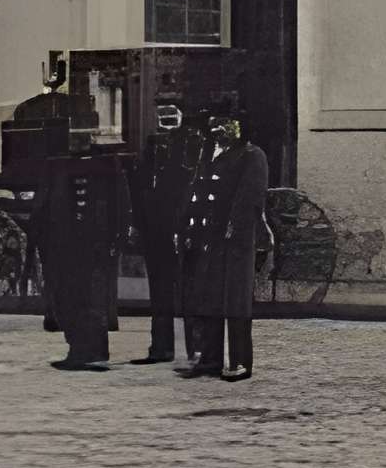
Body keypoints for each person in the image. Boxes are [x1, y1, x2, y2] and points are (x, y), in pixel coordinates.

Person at [178, 109, 269, 381]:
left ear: (239, 126)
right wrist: (189, 227)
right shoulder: (212, 156)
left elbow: (250, 197)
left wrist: (234, 227)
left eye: (226, 124)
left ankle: (240, 361)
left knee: (236, 302)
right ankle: (209, 360)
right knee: (209, 298)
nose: (219, 130)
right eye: (215, 125)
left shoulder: (252, 156)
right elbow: (198, 193)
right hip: (209, 237)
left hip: (236, 239)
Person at [34, 117, 130, 372]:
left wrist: (117, 239)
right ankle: (78, 347)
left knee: (92, 299)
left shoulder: (107, 168)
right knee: (70, 297)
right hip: (66, 243)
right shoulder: (58, 167)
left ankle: (92, 349)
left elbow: (120, 206)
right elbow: (44, 206)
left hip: (94, 243)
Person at [127, 101, 197, 366]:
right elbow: (140, 188)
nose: (165, 122)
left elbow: (189, 190)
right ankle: (161, 346)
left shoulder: (190, 147)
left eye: (170, 116)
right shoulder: (151, 148)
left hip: (179, 227)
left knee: (188, 289)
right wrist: (138, 223)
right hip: (155, 228)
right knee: (160, 291)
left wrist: (184, 226)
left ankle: (194, 347)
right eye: (162, 116)